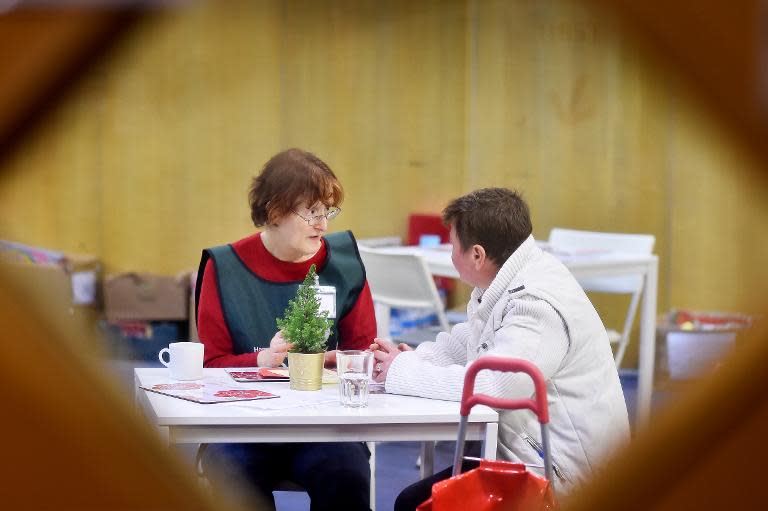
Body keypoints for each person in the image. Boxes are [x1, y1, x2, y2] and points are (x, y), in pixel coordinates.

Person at [370, 188, 629, 509]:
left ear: (477, 255)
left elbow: (496, 386)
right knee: (412, 500)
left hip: (564, 476)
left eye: (452, 246)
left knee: (415, 504)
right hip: (530, 458)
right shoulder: (514, 276)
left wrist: (402, 371)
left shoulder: (536, 304)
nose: (450, 255)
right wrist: (407, 359)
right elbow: (471, 341)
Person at [195, 148, 376, 511]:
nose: (324, 224)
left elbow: (364, 356)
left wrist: (337, 360)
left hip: (323, 430)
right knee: (233, 476)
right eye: (312, 212)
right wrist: (261, 359)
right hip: (242, 430)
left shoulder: (343, 264)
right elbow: (210, 364)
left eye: (328, 211)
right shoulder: (225, 267)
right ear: (275, 211)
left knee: (347, 474)